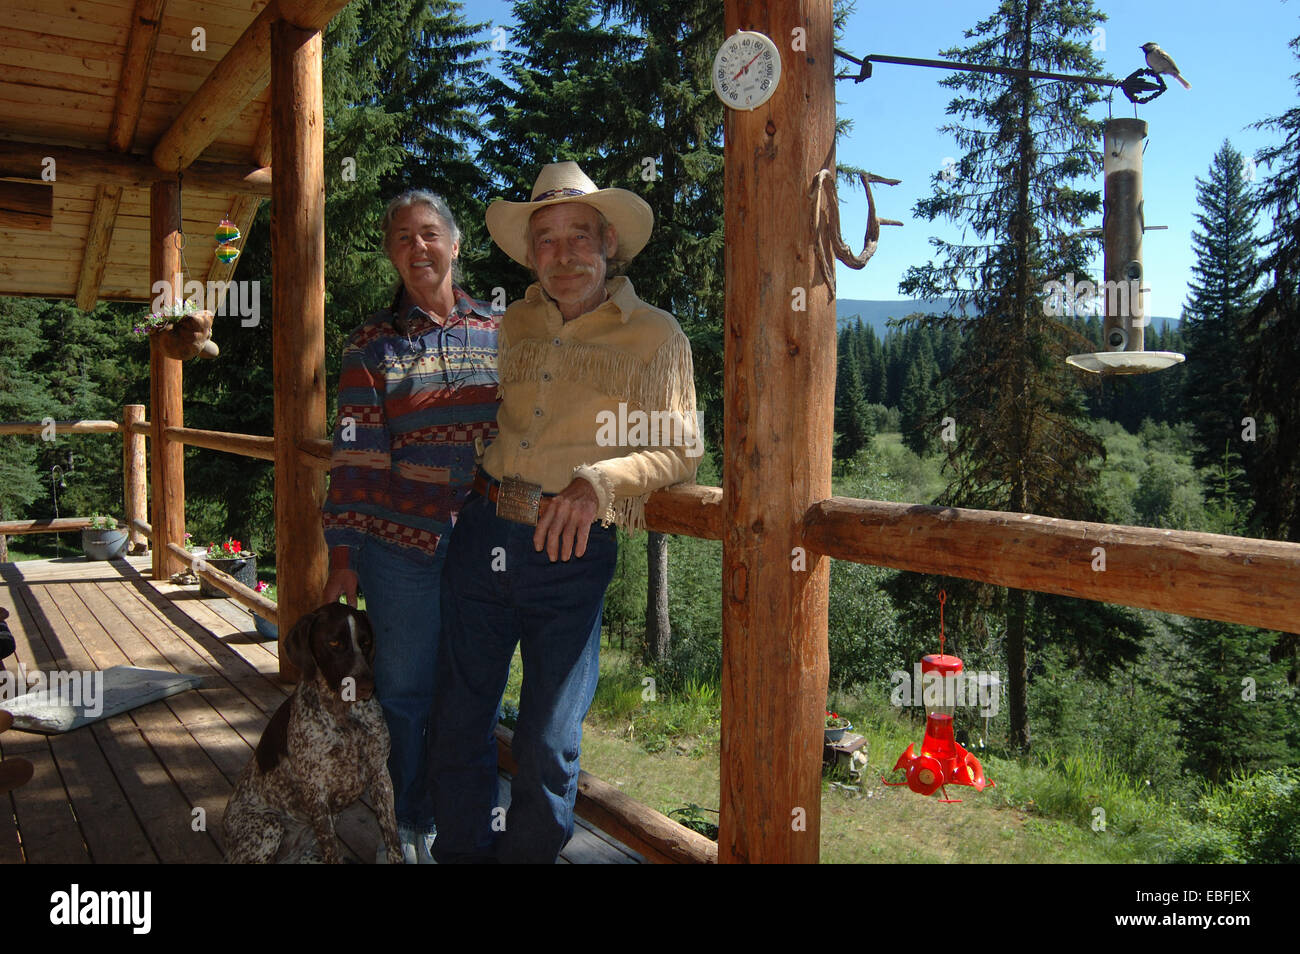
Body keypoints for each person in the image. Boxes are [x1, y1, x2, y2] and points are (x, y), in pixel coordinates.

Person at [429, 161, 700, 863]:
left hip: (571, 549)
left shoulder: (655, 335)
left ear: (608, 241)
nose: (564, 254)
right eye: (545, 240)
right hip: (482, 532)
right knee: (458, 722)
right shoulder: (509, 324)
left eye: (579, 235)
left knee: (548, 741)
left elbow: (680, 448)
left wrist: (600, 481)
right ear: (531, 255)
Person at [320, 190, 499, 864]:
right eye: (402, 237)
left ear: (455, 245)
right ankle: (410, 819)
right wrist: (345, 554)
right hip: (402, 552)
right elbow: (356, 456)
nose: (417, 247)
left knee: (473, 690)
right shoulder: (372, 344)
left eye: (429, 233)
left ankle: (467, 821)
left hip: (488, 546)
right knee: (403, 693)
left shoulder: (505, 330)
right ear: (392, 252)